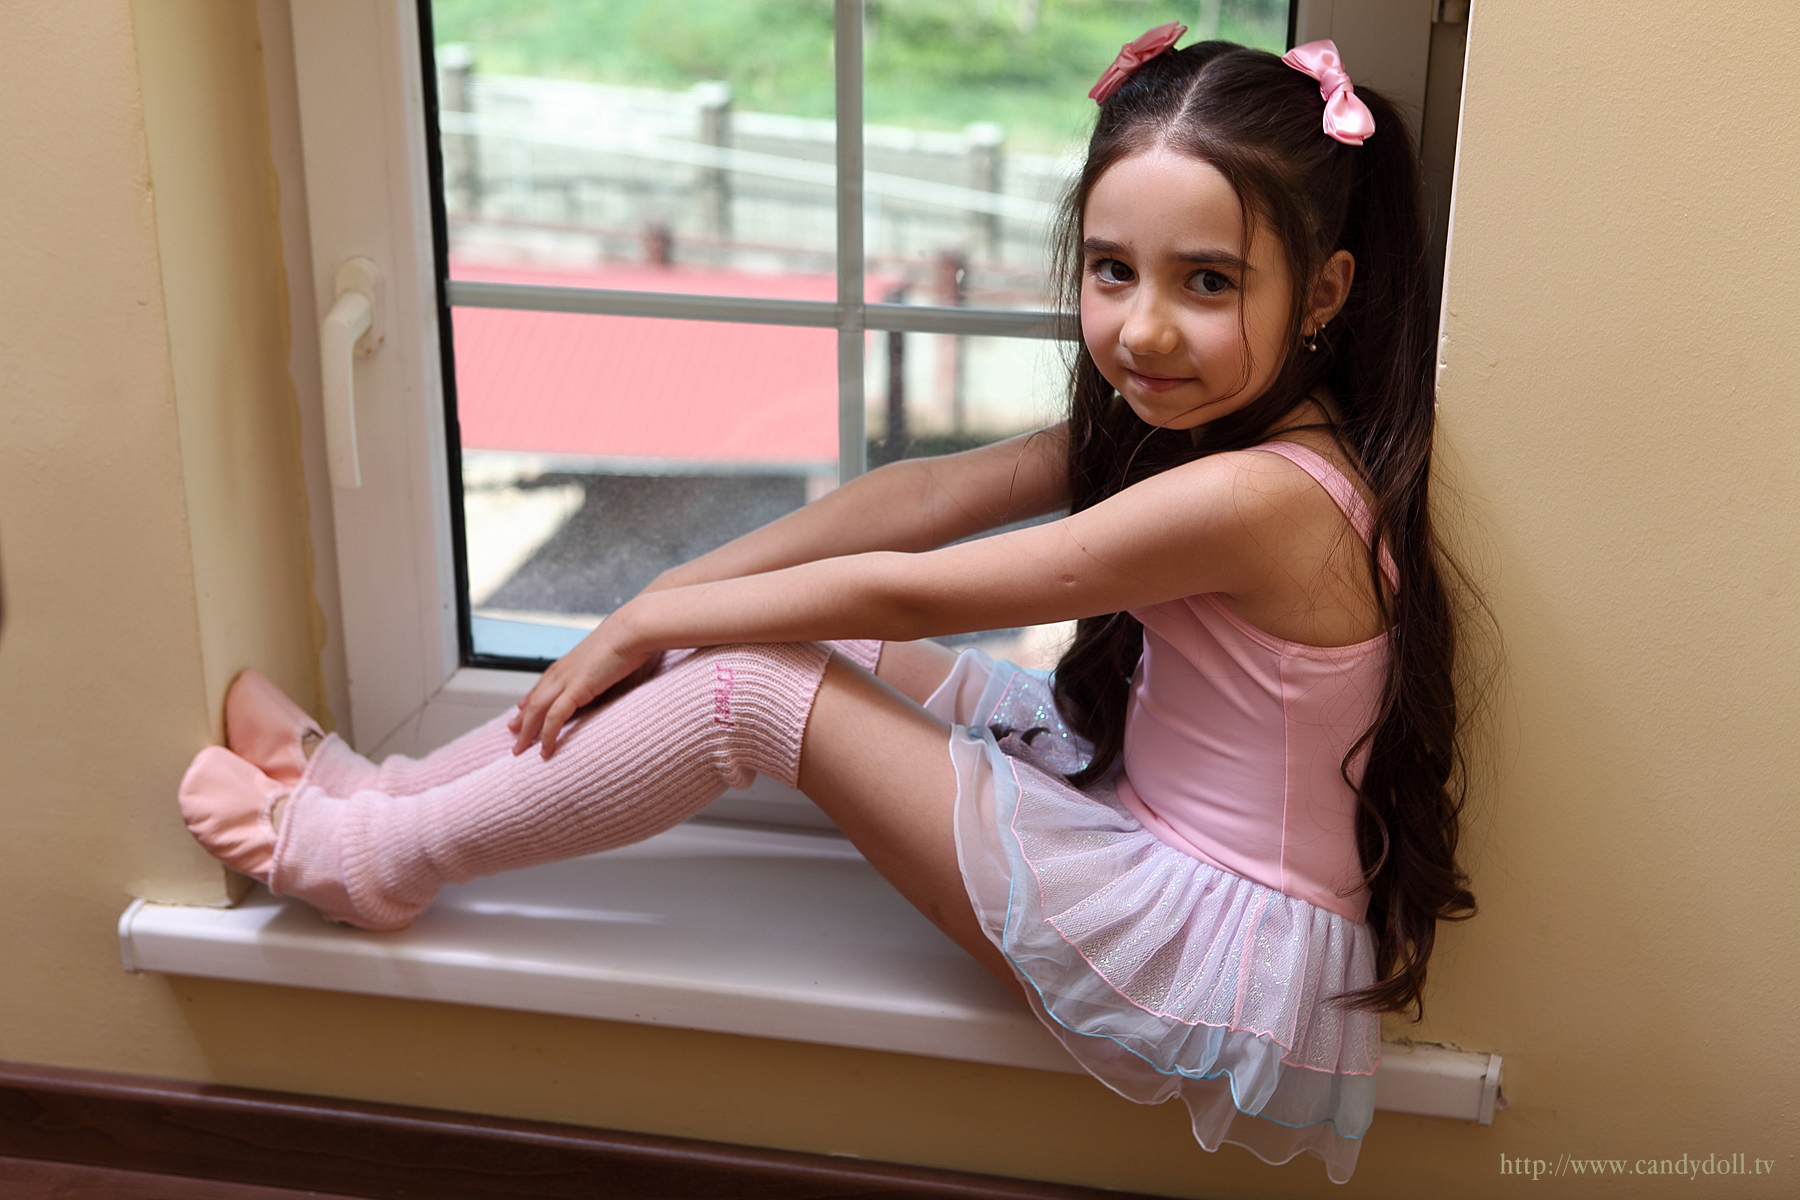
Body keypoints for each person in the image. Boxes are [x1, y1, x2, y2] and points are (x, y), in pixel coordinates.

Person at [179, 29, 1476, 1183]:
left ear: (1322, 292)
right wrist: (678, 588)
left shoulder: (1262, 495)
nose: (1142, 330)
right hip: (1138, 800)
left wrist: (658, 619)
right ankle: (387, 795)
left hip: (1197, 932)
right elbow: (919, 499)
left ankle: (368, 860)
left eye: (1207, 282)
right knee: (764, 622)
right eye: (1111, 270)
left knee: (754, 678)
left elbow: (917, 584)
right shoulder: (1204, 422)